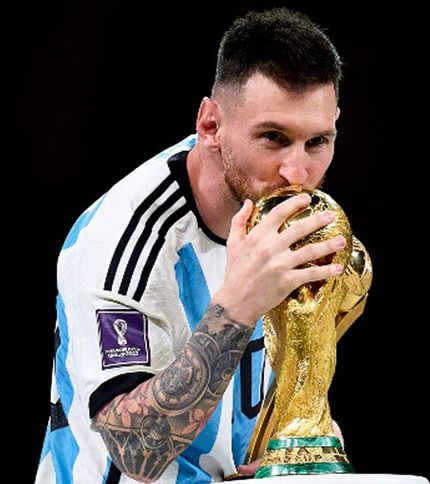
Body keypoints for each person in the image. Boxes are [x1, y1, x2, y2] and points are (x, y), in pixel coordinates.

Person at [36, 8, 350, 483]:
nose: (297, 173)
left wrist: (293, 444)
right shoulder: (124, 240)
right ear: (210, 126)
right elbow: (135, 452)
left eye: (317, 142)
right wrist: (238, 306)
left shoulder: (289, 220)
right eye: (273, 137)